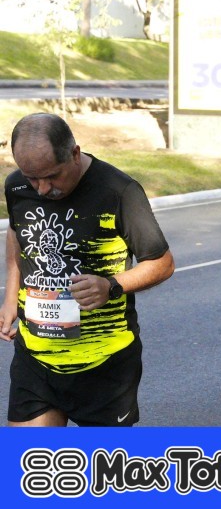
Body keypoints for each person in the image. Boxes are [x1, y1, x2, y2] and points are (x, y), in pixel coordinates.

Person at [0, 113, 175, 427]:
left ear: (75, 154)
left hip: (104, 365)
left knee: (102, 460)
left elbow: (162, 263)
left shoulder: (118, 191)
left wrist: (111, 285)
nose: (42, 189)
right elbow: (17, 233)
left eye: (51, 176)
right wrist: (11, 297)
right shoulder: (16, 187)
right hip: (35, 360)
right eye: (32, 178)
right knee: (28, 459)